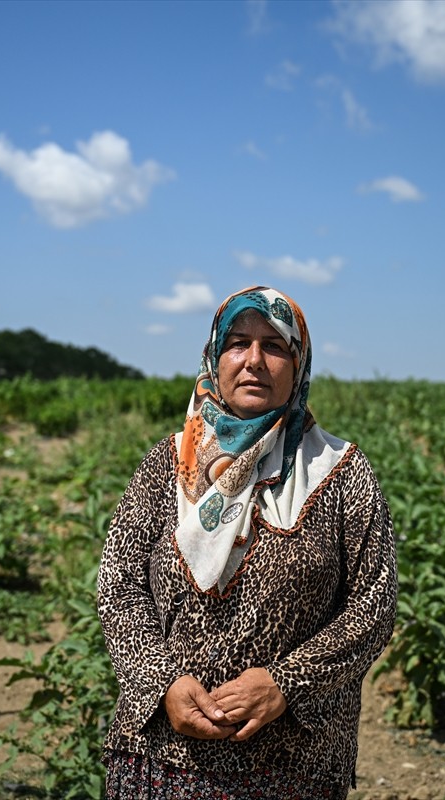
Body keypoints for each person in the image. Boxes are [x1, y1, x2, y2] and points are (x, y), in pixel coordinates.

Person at [96, 285, 398, 798]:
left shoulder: (343, 471)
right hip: (161, 758)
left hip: (294, 764)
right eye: (238, 343)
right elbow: (119, 585)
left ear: (298, 363)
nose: (254, 361)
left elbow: (374, 607)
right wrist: (163, 683)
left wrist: (286, 684)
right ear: (215, 356)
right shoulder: (167, 462)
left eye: (274, 346)